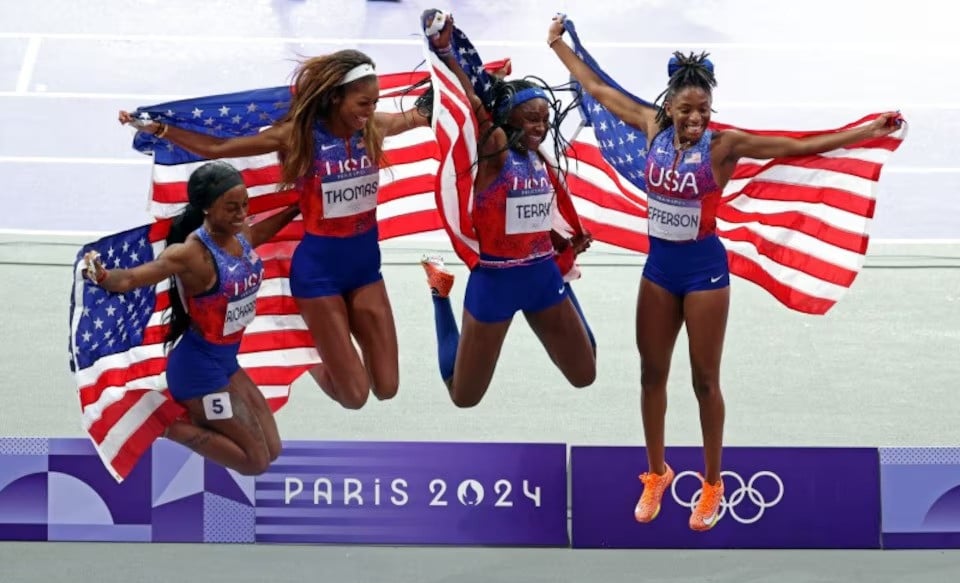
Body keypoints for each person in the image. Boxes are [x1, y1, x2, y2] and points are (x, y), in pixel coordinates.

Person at [546, 15, 903, 531]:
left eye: (703, 110)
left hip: (705, 275)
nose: (695, 118)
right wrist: (558, 45)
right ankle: (656, 473)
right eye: (687, 109)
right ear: (669, 106)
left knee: (704, 380)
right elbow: (598, 87)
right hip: (659, 271)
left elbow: (801, 147)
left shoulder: (725, 145)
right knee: (651, 373)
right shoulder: (651, 127)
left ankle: (712, 484)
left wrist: (866, 130)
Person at [119, 49, 430, 410]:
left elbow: (425, 114)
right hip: (318, 277)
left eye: (375, 102)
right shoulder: (299, 138)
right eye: (363, 102)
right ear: (334, 97)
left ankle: (315, 341)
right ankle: (305, 352)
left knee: (387, 387)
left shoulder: (374, 128)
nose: (370, 110)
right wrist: (160, 128)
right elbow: (221, 146)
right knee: (355, 397)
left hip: (365, 271)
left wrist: (471, 78)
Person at [419, 10, 597, 408]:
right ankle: (438, 293)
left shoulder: (541, 161)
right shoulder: (495, 151)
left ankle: (561, 284)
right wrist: (446, 50)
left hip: (541, 276)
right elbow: (472, 102)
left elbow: (536, 214)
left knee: (586, 374)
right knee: (463, 396)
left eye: (546, 120)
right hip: (494, 282)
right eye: (531, 118)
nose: (541, 126)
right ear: (508, 118)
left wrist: (564, 246)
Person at [82, 162, 301, 475]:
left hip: (226, 362)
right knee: (256, 462)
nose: (241, 214)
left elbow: (260, 233)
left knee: (273, 448)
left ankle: (196, 416)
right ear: (207, 209)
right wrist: (102, 276)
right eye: (232, 208)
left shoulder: (239, 236)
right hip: (197, 372)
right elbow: (131, 279)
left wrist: (296, 208)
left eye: (244, 205)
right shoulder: (190, 255)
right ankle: (163, 422)